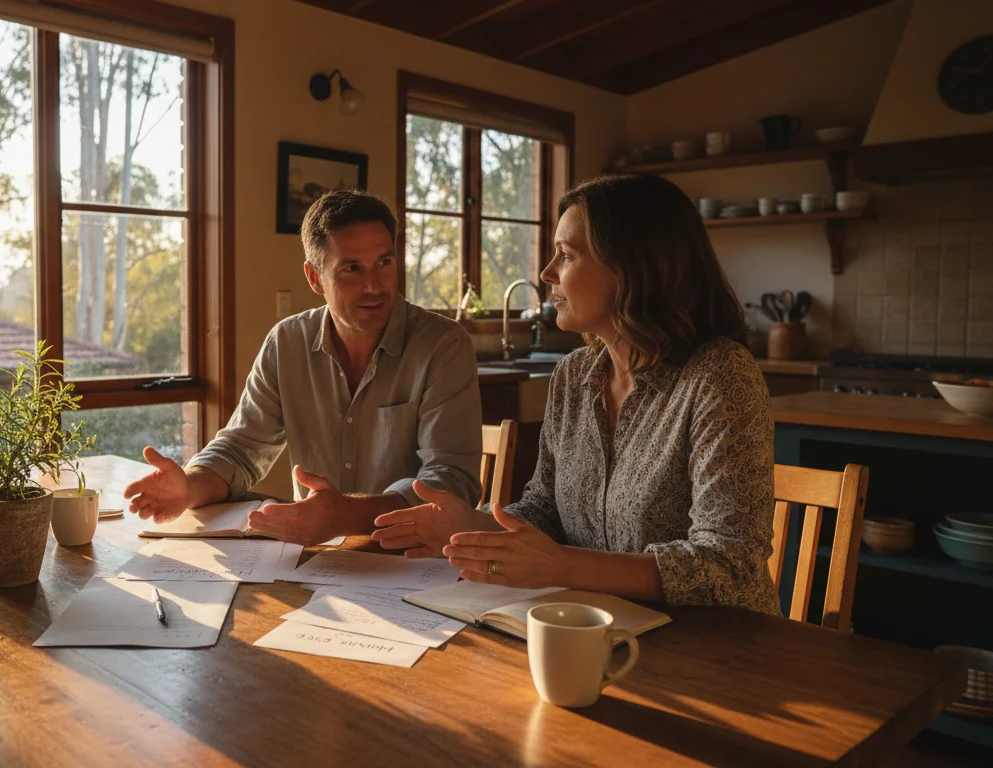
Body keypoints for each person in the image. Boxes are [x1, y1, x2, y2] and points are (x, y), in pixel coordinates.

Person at [373, 173, 780, 614]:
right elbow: (545, 510)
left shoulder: (719, 376)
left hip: (717, 651)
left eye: (565, 255)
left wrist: (563, 566)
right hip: (595, 628)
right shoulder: (573, 375)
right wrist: (472, 525)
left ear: (633, 267)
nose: (546, 273)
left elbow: (730, 565)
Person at [122, 190, 483, 545]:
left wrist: (345, 515)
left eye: (384, 263)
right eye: (352, 268)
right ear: (314, 278)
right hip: (315, 560)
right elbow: (241, 449)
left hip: (414, 562)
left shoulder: (443, 344)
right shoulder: (287, 342)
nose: (374, 285)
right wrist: (189, 487)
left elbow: (452, 480)